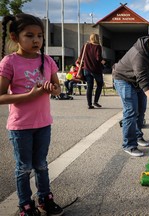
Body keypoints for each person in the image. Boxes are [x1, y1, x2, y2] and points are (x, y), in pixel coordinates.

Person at [0, 14, 64, 216]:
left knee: (42, 165)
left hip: (44, 123)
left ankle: (45, 198)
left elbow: (58, 89)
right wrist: (30, 94)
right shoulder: (9, 62)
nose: (36, 40)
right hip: (21, 126)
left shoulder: (47, 61)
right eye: (29, 35)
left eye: (40, 35)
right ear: (14, 36)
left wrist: (52, 89)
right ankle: (25, 204)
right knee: (24, 167)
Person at [113, 29, 149, 157]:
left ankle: (138, 136)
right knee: (131, 111)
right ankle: (129, 145)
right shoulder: (139, 55)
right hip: (124, 79)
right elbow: (144, 82)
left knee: (141, 109)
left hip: (136, 80)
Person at [77, 33, 105, 109]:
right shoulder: (98, 47)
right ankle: (95, 101)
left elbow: (80, 57)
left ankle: (89, 104)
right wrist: (102, 61)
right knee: (99, 84)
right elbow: (98, 58)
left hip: (87, 69)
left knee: (90, 86)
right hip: (96, 69)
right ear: (97, 38)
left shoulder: (85, 46)